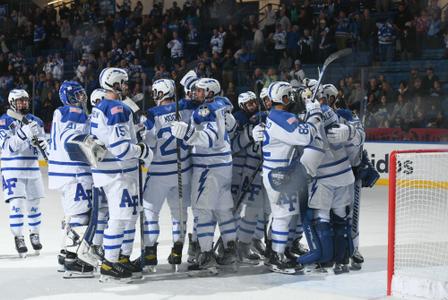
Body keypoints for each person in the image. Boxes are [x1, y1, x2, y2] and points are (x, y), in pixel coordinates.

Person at [251, 82, 324, 274]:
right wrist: (315, 113)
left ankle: (278, 252)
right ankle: (277, 256)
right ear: (284, 98)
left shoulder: (278, 116)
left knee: (284, 215)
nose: (292, 98)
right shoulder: (282, 117)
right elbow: (305, 136)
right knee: (282, 216)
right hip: (279, 174)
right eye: (289, 95)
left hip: (280, 172)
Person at [91, 67, 153, 282]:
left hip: (111, 172)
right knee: (119, 218)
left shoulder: (103, 106)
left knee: (127, 216)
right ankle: (109, 262)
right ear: (114, 84)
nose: (127, 86)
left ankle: (119, 259)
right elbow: (121, 149)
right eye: (123, 82)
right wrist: (143, 150)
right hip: (118, 173)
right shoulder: (117, 108)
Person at [171, 78, 237, 272]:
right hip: (225, 165)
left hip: (208, 167)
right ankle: (230, 250)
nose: (196, 93)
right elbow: (231, 127)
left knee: (203, 211)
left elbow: (208, 139)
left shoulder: (204, 110)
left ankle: (206, 254)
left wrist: (187, 133)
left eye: (200, 90)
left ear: (210, 92)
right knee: (223, 209)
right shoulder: (223, 103)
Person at [139, 79, 197, 271]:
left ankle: (149, 254)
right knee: (179, 213)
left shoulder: (152, 115)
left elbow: (149, 143)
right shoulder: (187, 108)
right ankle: (177, 251)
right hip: (184, 170)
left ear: (159, 94)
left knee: (150, 212)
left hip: (159, 173)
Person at [48, 81, 95, 278]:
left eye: (82, 94)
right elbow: (72, 138)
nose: (82, 98)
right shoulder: (71, 112)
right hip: (74, 172)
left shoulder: (63, 113)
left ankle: (64, 254)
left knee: (72, 214)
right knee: (80, 215)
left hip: (66, 173)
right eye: (78, 95)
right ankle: (72, 259)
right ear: (69, 97)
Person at [0, 89, 46, 258]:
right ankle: (18, 237)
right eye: (20, 101)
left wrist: (41, 145)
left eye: (25, 100)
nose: (24, 104)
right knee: (17, 205)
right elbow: (7, 147)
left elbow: (41, 151)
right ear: (12, 102)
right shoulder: (3, 121)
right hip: (12, 170)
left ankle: (35, 234)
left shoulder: (37, 121)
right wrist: (24, 133)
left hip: (33, 169)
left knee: (34, 206)